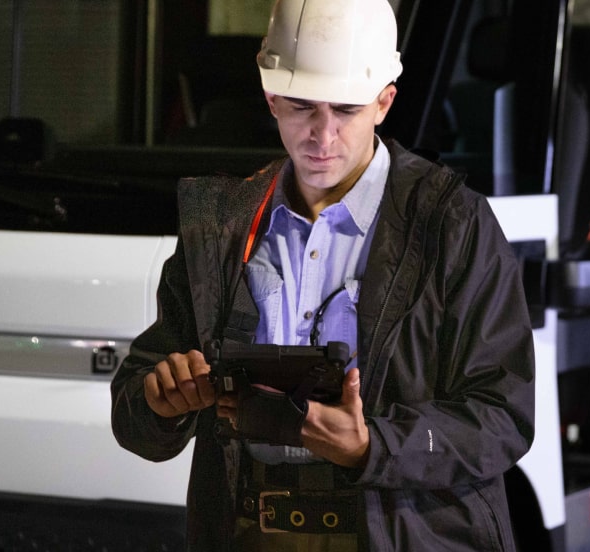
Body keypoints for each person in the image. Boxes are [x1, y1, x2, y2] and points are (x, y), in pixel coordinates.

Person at [111, 0, 535, 549]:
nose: (322, 134)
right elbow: (135, 400)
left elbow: (502, 415)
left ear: (384, 103)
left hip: (399, 534)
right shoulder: (221, 226)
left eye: (346, 109)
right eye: (301, 105)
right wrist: (158, 402)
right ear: (270, 97)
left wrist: (371, 447)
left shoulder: (451, 224)